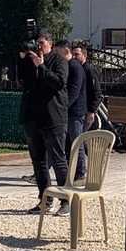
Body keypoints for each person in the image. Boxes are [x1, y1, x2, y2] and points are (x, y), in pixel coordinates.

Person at [17, 29, 70, 216]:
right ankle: (45, 199)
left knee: (58, 159)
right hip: (32, 117)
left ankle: (66, 201)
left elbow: (59, 83)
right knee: (38, 161)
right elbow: (16, 78)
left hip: (53, 117)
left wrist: (42, 66)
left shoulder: (59, 61)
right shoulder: (29, 61)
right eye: (36, 43)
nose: (38, 47)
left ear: (50, 44)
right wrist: (23, 57)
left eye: (41, 43)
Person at [54, 40, 87, 182]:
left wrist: (63, 106)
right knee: (65, 142)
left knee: (76, 141)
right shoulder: (66, 66)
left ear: (65, 52)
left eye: (58, 52)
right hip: (67, 111)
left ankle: (80, 172)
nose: (55, 55)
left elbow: (74, 91)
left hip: (75, 111)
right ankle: (70, 170)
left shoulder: (75, 67)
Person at [71, 44, 104, 133]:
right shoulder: (74, 69)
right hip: (78, 109)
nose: (74, 57)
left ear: (84, 56)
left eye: (77, 54)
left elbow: (96, 91)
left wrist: (91, 111)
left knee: (80, 136)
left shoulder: (89, 71)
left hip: (86, 110)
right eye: (73, 54)